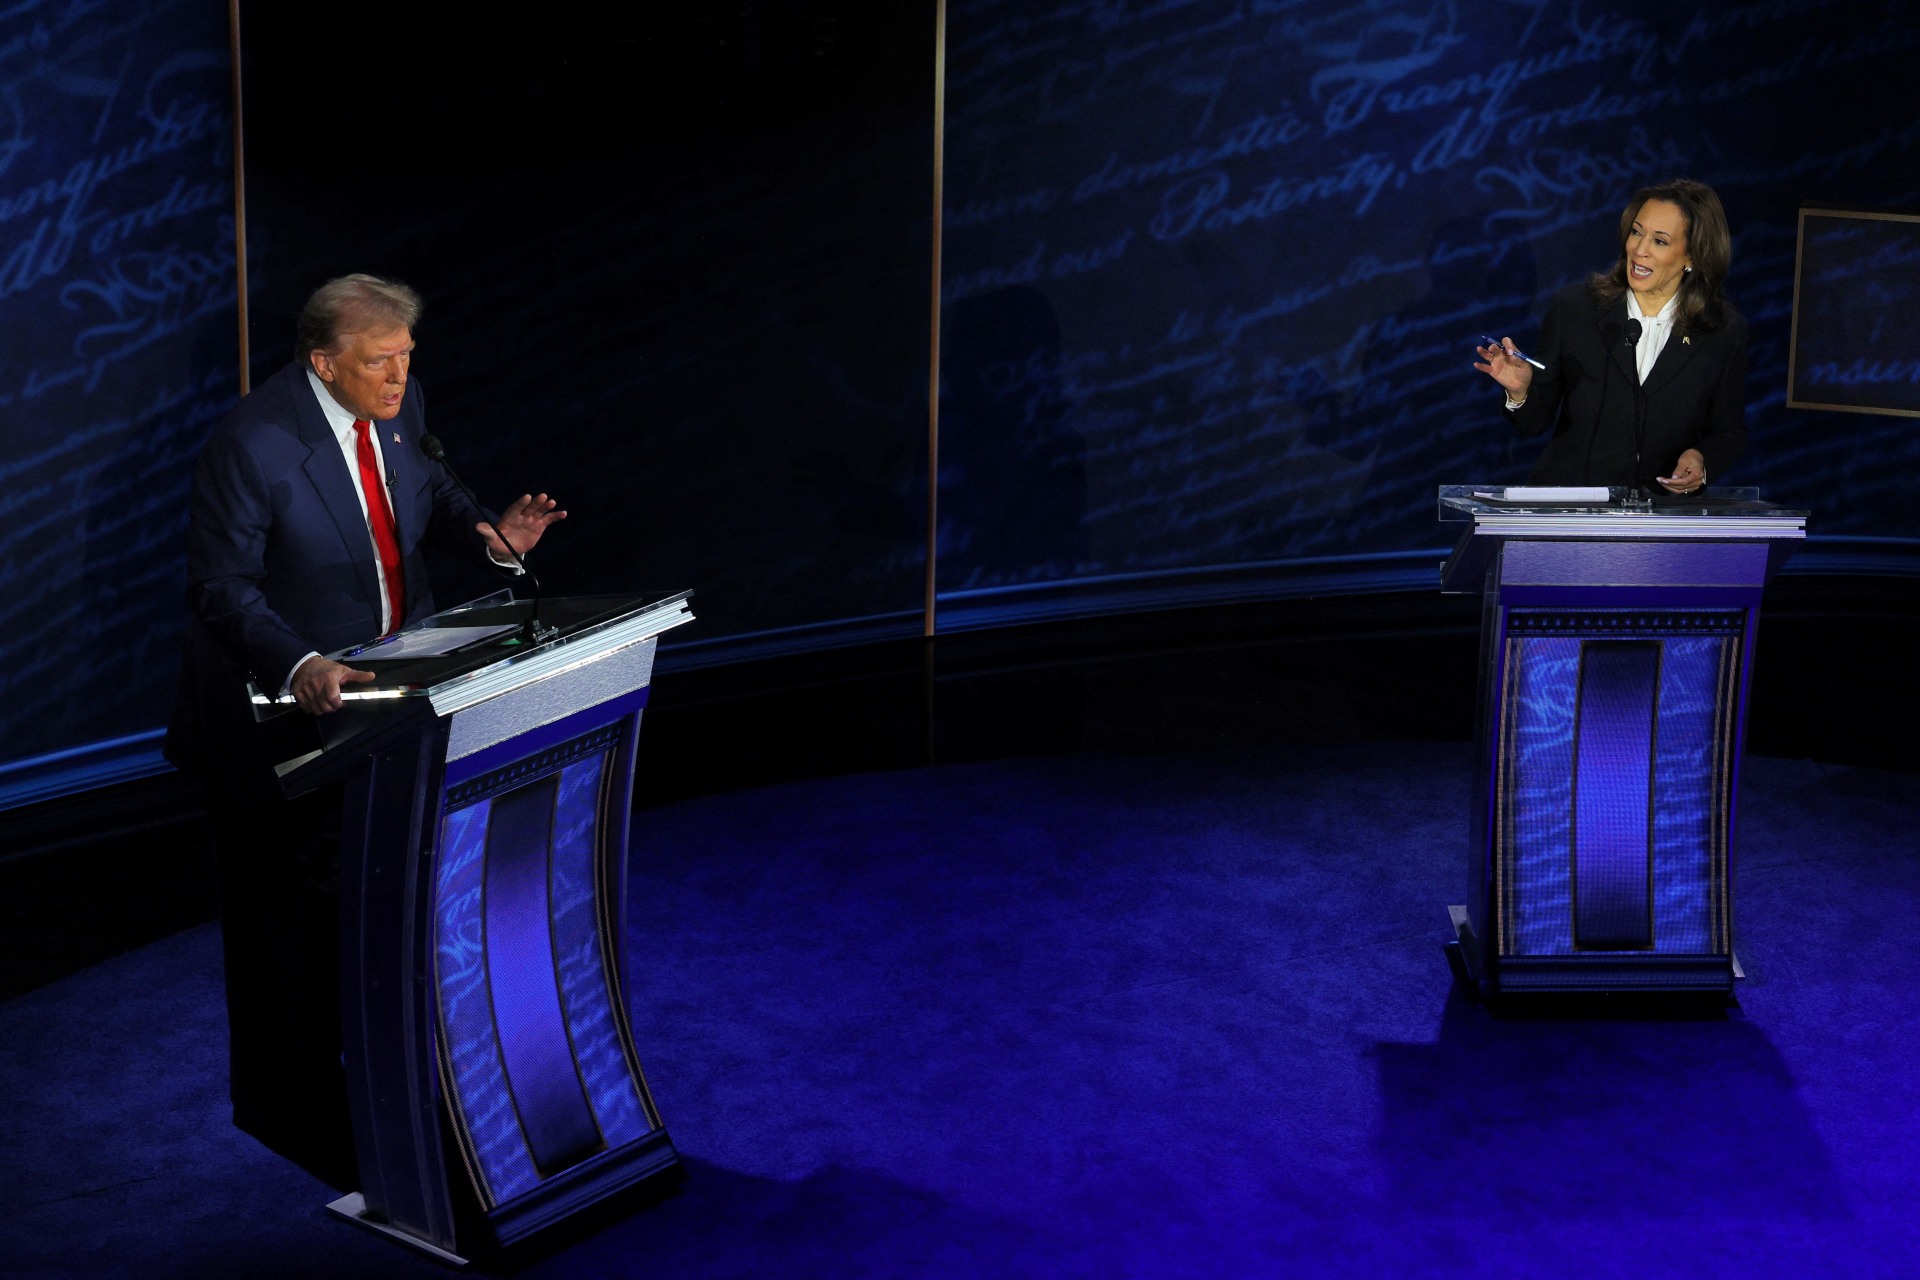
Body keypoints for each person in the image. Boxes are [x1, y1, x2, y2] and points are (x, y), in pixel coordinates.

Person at [164, 273, 565, 1184]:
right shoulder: (253, 445)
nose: (399, 377)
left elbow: (431, 475)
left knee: (385, 901)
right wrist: (300, 663)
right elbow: (219, 590)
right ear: (324, 363)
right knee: (291, 929)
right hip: (279, 721)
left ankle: (397, 1081)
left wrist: (488, 533)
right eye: (381, 361)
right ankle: (292, 1112)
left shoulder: (399, 399)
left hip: (393, 698)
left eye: (407, 358)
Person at [1474, 178, 1747, 493]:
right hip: (1570, 511)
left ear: (1693, 257)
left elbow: (1729, 431)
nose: (1639, 249)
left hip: (1661, 520)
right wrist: (1521, 392)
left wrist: (1700, 458)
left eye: (1660, 241)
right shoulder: (1576, 309)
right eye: (1636, 232)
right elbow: (1533, 423)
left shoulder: (1723, 331)